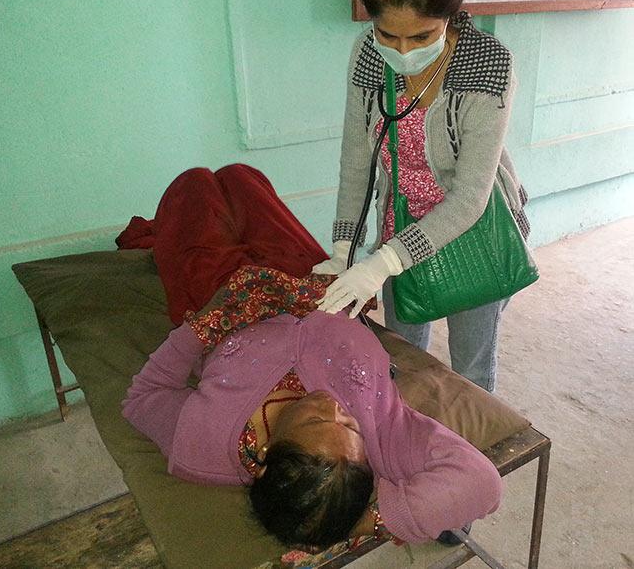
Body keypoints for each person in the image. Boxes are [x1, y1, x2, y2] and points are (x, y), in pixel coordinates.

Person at [121, 164, 502, 550]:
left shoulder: (205, 444)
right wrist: (371, 521)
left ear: (266, 454)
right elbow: (481, 483)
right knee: (242, 177)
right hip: (313, 278)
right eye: (350, 426)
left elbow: (142, 399)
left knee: (191, 185)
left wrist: (203, 325)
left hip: (218, 292)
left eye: (317, 419)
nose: (336, 408)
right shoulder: (384, 439)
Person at [314, 0, 531, 393]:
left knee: (469, 372)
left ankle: (467, 457)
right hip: (402, 226)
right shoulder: (368, 56)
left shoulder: (487, 63)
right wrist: (344, 248)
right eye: (388, 35)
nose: (404, 52)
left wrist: (382, 262)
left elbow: (470, 198)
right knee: (401, 359)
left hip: (475, 233)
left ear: (449, 17)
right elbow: (356, 160)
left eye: (421, 36)